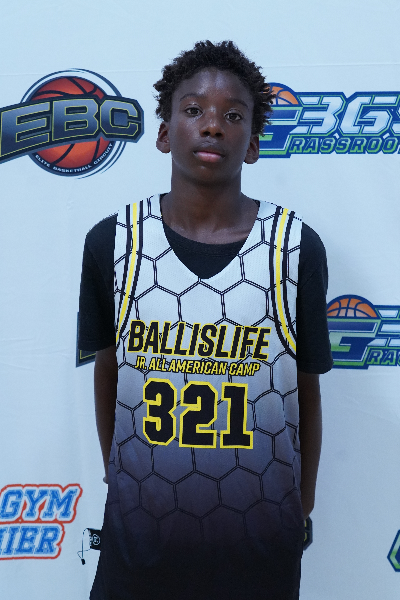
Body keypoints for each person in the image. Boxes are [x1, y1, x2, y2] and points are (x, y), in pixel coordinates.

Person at [79, 40, 332, 600]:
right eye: (193, 110)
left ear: (254, 144)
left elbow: (306, 390)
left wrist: (301, 503)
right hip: (139, 543)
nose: (213, 125)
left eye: (233, 116)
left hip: (256, 543)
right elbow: (107, 370)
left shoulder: (295, 248)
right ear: (164, 133)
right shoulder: (113, 241)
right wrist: (121, 479)